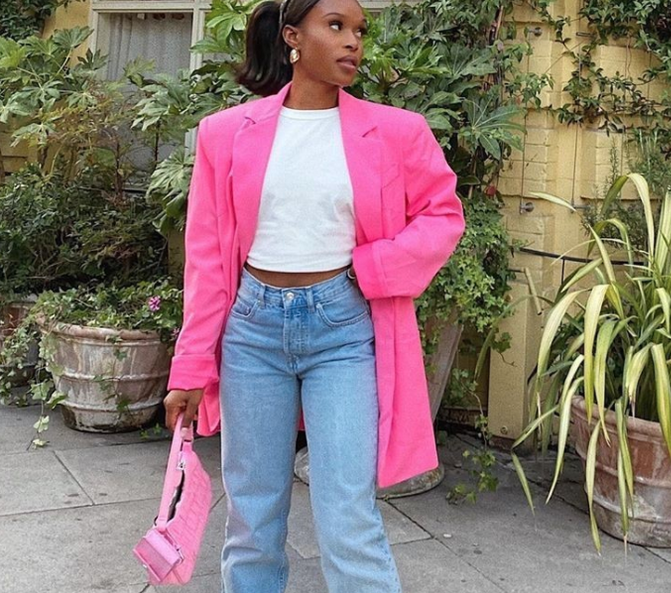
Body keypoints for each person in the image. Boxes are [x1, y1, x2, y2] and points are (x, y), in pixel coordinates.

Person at [161, 0, 466, 590]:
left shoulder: (398, 132)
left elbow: (442, 216)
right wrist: (191, 364)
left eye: (359, 30)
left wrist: (370, 268)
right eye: (337, 27)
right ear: (293, 36)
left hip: (344, 329)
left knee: (349, 517)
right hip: (252, 330)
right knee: (251, 519)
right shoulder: (224, 135)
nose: (353, 41)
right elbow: (206, 260)